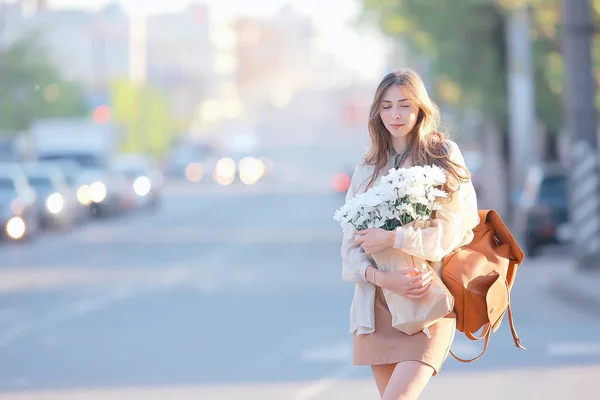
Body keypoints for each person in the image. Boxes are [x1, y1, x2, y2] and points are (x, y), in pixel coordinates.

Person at [341, 68, 479, 400]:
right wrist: (381, 277)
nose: (396, 115)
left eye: (404, 104)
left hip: (427, 301)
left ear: (420, 108)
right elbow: (350, 250)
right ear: (377, 112)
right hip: (377, 307)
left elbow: (452, 231)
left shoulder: (442, 157)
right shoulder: (366, 170)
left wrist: (394, 239)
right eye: (386, 106)